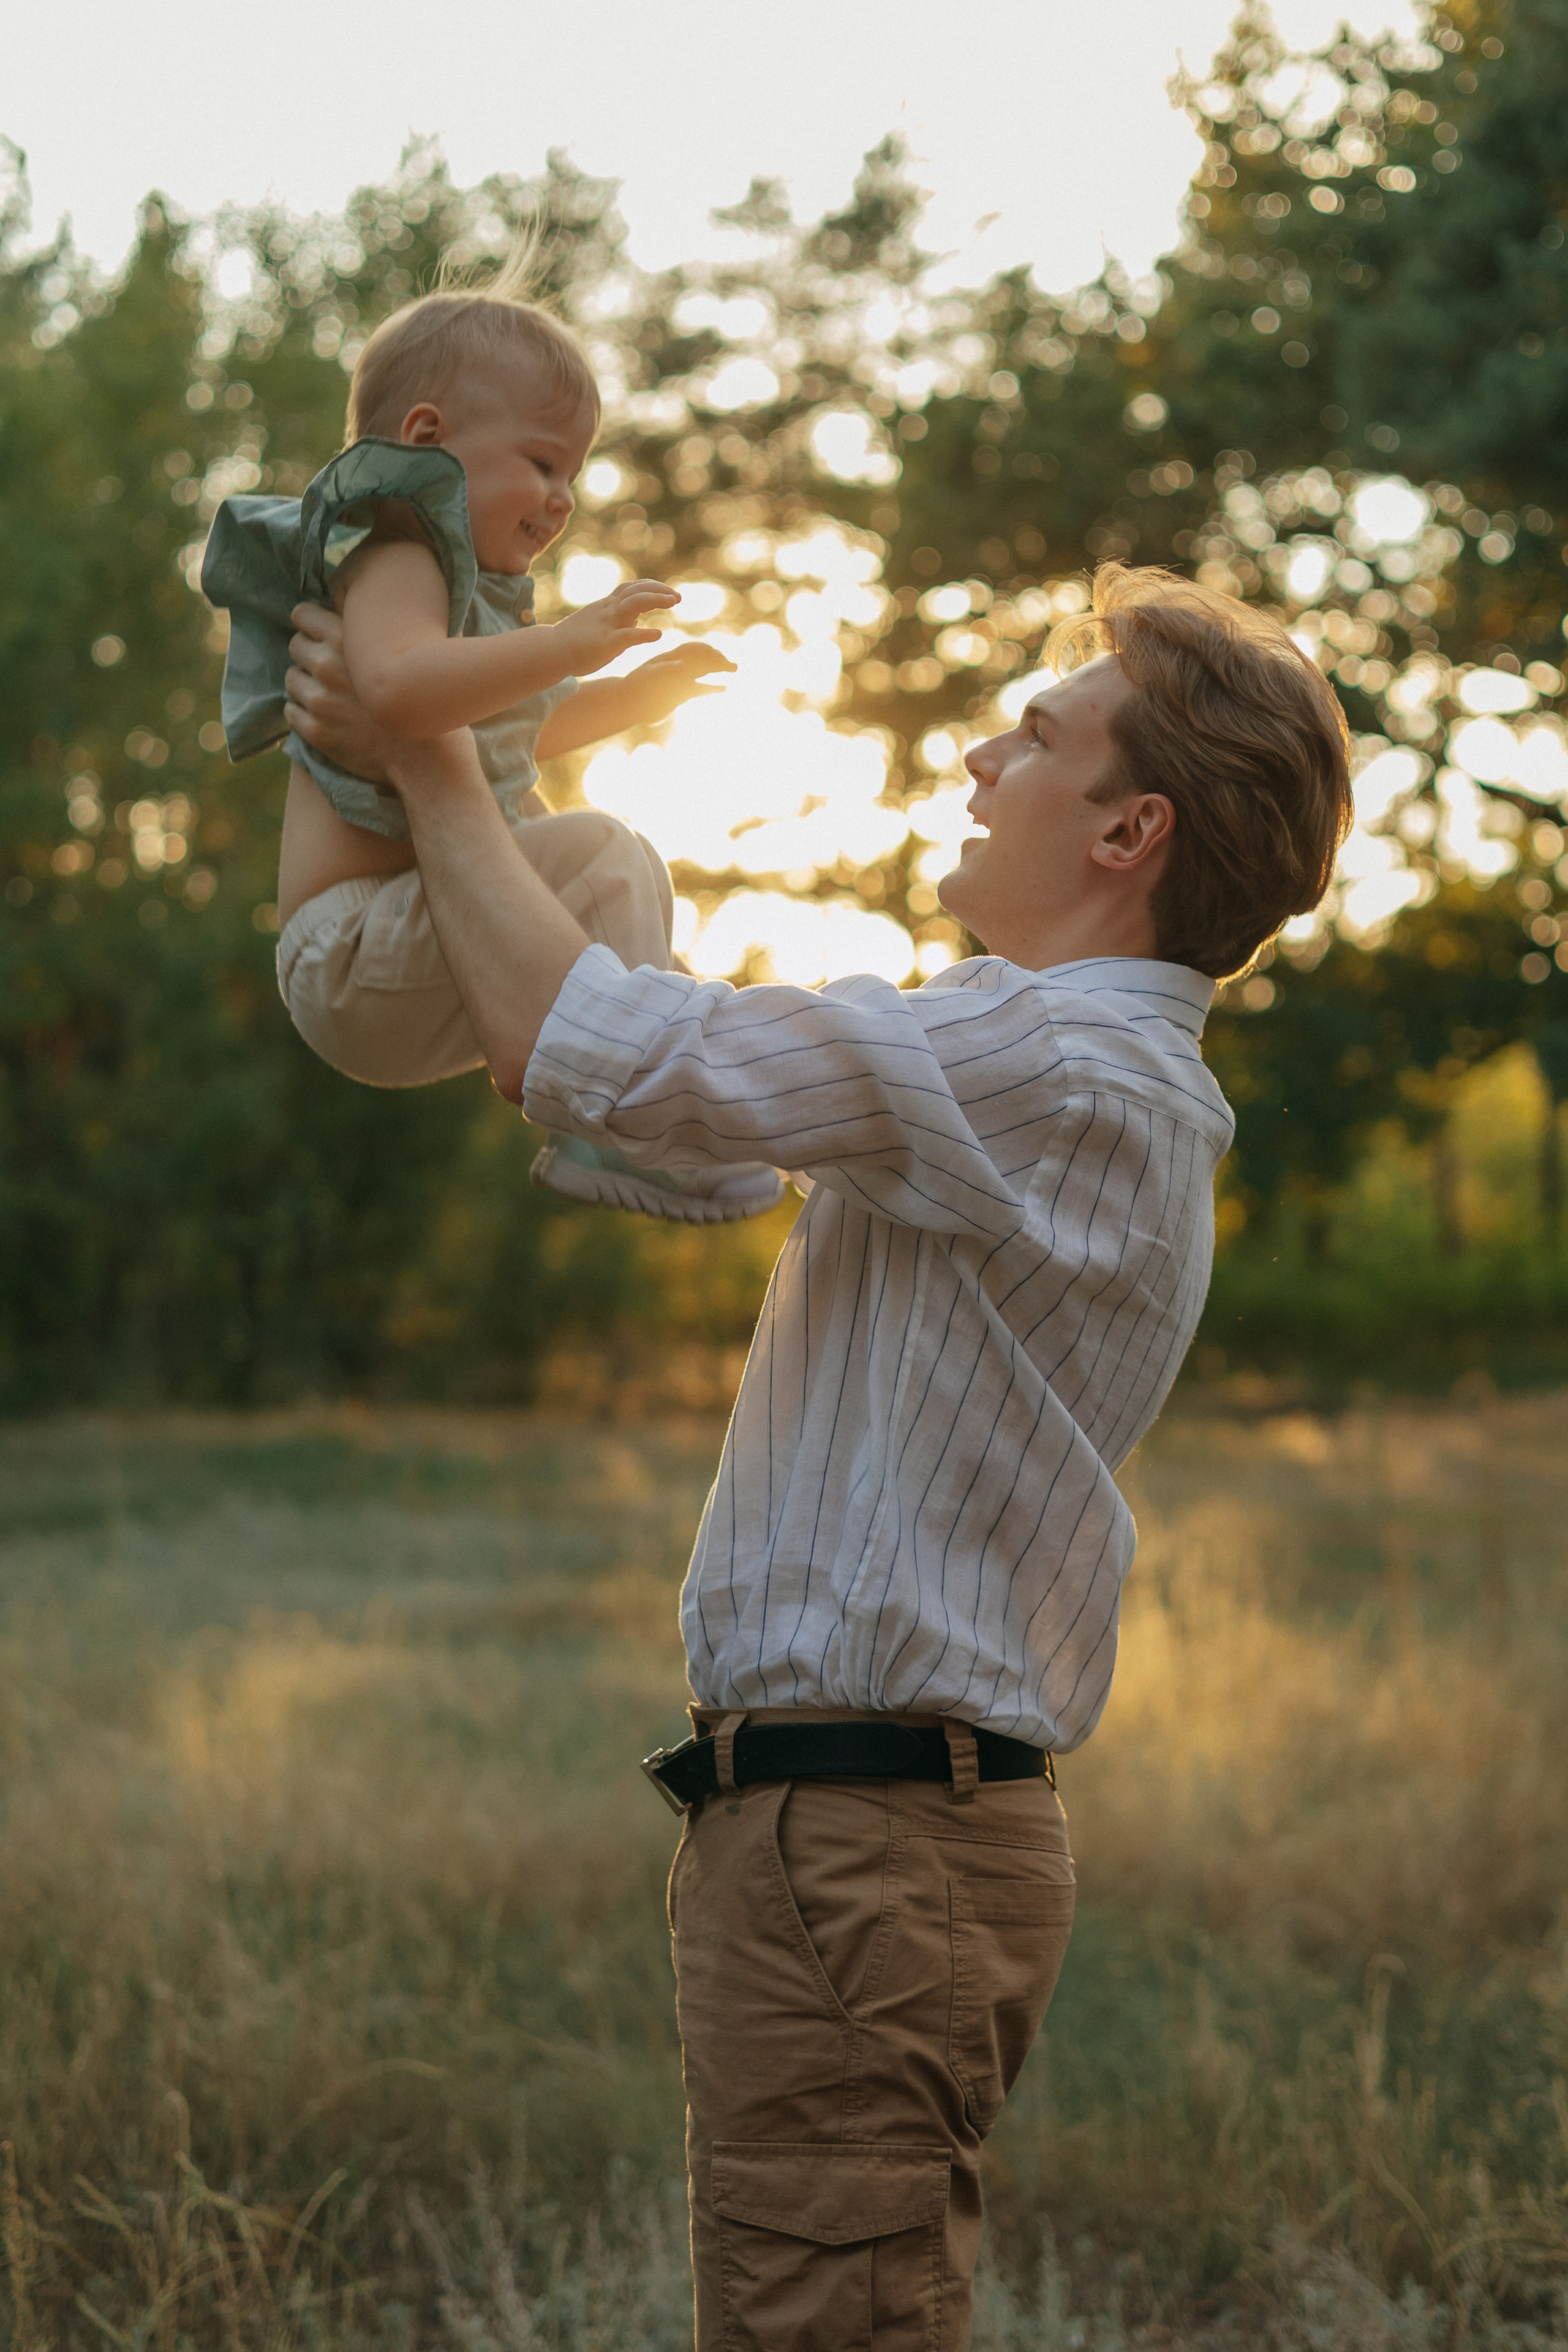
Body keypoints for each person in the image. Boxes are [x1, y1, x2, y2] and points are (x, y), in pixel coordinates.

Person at [282, 559, 1352, 2350]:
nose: (981, 759)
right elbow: (673, 1135)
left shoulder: (1049, 1055)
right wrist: (517, 917)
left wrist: (439, 746)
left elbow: (608, 1052)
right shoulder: (1036, 1062)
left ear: (1130, 831)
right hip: (857, 1830)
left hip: (869, 1834)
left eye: (1038, 733)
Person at [201, 249, 781, 1224]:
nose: (562, 498)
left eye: (576, 473)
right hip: (348, 952)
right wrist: (565, 645)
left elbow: (507, 734)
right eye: (543, 462)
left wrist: (633, 697)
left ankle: (686, 1102)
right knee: (605, 857)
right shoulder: (395, 547)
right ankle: (626, 1120)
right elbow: (393, 688)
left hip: (422, 942)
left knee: (629, 911)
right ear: (427, 438)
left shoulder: (462, 594)